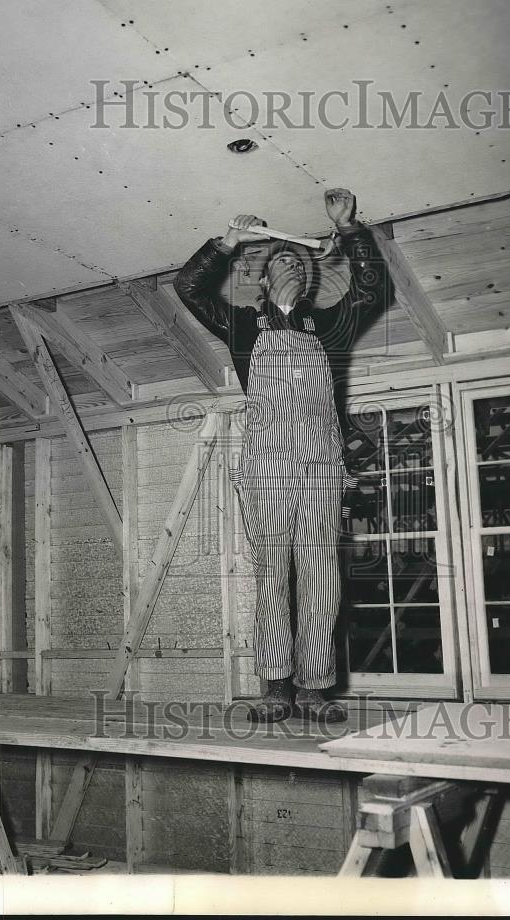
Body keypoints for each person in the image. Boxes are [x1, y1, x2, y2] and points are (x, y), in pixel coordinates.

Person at [174, 188, 394, 722]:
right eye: (281, 261)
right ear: (265, 279)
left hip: (319, 462)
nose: (293, 266)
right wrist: (229, 241)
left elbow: (374, 287)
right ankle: (276, 686)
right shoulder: (242, 326)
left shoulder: (332, 326)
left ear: (311, 277)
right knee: (273, 573)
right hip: (267, 464)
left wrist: (349, 230)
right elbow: (188, 287)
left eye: (299, 260)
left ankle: (313, 689)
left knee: (320, 572)